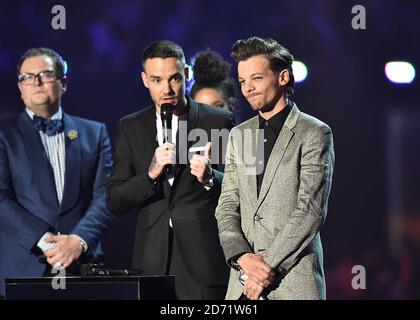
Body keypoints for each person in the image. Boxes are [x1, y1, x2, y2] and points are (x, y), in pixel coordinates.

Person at [106, 40, 234, 300]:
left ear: (187, 74)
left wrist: (211, 178)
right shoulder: (131, 126)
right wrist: (150, 174)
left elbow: (241, 191)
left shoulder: (217, 120)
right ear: (144, 80)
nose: (166, 89)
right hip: (152, 262)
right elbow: (115, 200)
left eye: (174, 78)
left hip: (204, 260)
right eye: (156, 80)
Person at [215, 37, 335, 300]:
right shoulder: (239, 135)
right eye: (243, 81)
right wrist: (242, 257)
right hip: (243, 284)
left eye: (256, 78)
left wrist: (266, 269)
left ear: (282, 77)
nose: (247, 88)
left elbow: (310, 211)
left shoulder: (314, 132)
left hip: (294, 282)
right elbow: (226, 206)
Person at [0, 48, 114, 297]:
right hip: (21, 269)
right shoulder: (4, 134)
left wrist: (79, 240)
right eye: (27, 77)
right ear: (20, 89)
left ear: (64, 83)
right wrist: (44, 240)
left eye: (46, 75)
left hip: (82, 266)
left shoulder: (95, 133)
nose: (37, 82)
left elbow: (106, 195)